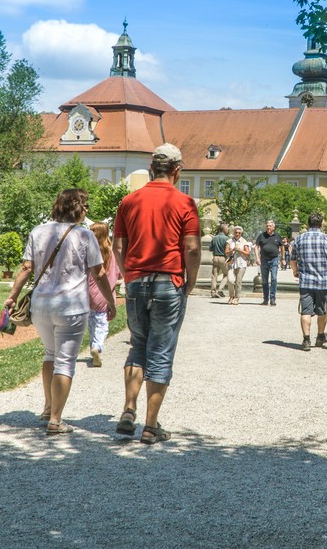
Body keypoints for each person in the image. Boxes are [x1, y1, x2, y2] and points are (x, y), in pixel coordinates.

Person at [5, 189, 116, 436]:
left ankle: (47, 407)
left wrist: (12, 296)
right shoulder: (85, 236)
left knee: (50, 354)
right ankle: (55, 419)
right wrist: (110, 301)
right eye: (85, 206)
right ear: (77, 208)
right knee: (65, 362)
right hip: (71, 306)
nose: (87, 211)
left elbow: (26, 268)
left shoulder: (38, 231)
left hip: (41, 306)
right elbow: (98, 274)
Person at [112, 143, 200, 444]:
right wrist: (190, 281)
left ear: (152, 169)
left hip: (136, 281)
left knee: (138, 346)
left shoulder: (129, 201)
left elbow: (118, 248)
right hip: (168, 281)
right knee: (160, 351)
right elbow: (191, 247)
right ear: (177, 170)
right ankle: (150, 427)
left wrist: (128, 276)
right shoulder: (185, 202)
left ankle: (128, 409)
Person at [290, 212, 327, 351]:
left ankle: (306, 340)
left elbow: (292, 259)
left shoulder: (299, 239)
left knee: (306, 311)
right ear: (321, 224)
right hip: (323, 282)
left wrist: (295, 271)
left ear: (308, 224)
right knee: (322, 311)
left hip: (306, 282)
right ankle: (320, 335)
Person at [87, 221, 122, 368]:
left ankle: (93, 346)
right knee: (102, 323)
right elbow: (119, 274)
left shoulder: (88, 251)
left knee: (92, 322)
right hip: (105, 293)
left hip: (88, 292)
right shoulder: (112, 253)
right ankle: (97, 346)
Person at [255, 220, 284, 306]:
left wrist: (283, 258)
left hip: (274, 259)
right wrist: (257, 258)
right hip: (264, 260)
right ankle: (265, 299)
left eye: (270, 226)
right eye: (267, 226)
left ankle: (272, 299)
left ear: (273, 227)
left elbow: (282, 247)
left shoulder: (277, 236)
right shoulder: (261, 236)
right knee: (264, 281)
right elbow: (256, 247)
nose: (268, 227)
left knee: (274, 279)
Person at [225, 225, 252, 305]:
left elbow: (248, 254)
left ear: (241, 234)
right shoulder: (229, 241)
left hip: (241, 264)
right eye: (236, 232)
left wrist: (240, 250)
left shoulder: (244, 242)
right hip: (231, 263)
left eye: (239, 233)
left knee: (238, 282)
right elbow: (226, 252)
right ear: (234, 233)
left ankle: (236, 298)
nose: (237, 234)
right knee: (230, 280)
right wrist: (232, 250)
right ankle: (231, 296)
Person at [209, 223, 229, 299]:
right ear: (224, 229)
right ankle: (220, 290)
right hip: (223, 258)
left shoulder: (214, 238)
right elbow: (228, 250)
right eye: (227, 229)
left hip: (215, 258)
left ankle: (213, 292)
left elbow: (210, 249)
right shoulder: (226, 239)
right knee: (227, 275)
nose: (227, 230)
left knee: (214, 275)